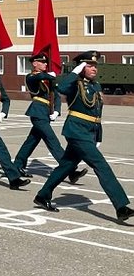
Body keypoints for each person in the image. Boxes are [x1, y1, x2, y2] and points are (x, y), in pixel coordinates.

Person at [33, 51, 133, 222]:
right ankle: (121, 207)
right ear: (81, 67)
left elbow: (96, 112)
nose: (94, 68)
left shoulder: (95, 85)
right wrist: (73, 72)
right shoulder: (73, 84)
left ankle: (43, 195)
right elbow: (60, 88)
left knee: (66, 165)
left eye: (95, 65)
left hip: (89, 133)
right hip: (77, 131)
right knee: (101, 166)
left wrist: (98, 135)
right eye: (89, 65)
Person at [13, 53, 87, 183]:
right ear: (35, 63)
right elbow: (40, 77)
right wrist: (50, 75)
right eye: (42, 62)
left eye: (46, 62)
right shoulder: (31, 77)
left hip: (45, 113)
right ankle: (70, 170)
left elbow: (56, 95)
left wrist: (57, 110)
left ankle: (17, 166)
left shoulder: (47, 79)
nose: (45, 64)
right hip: (37, 112)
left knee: (31, 142)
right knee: (52, 141)